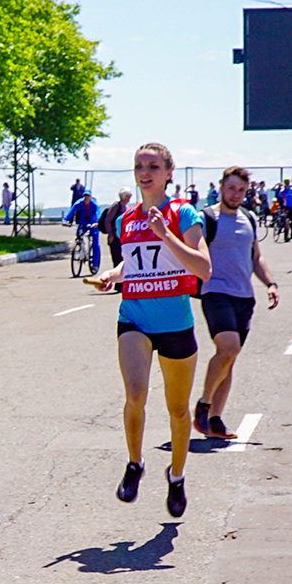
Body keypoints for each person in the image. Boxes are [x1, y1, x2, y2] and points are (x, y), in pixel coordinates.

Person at [90, 143, 210, 518]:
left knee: (177, 410)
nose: (145, 172)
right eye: (139, 166)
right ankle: (134, 463)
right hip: (135, 318)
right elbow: (134, 266)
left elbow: (203, 268)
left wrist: (166, 234)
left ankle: (176, 476)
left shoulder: (183, 213)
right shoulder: (127, 218)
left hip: (175, 323)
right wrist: (111, 275)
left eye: (153, 166)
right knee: (136, 395)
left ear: (168, 173)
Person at [195, 168, 278, 442]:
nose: (236, 195)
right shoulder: (206, 218)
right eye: (231, 189)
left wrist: (271, 284)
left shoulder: (249, 218)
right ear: (221, 187)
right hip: (215, 291)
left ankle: (215, 420)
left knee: (230, 359)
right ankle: (204, 405)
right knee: (228, 347)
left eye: (241, 190)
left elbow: (256, 257)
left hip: (244, 296)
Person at [63, 188, 100, 272]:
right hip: (82, 223)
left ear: (90, 196)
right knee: (79, 236)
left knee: (95, 242)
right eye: (85, 196)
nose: (86, 198)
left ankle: (94, 264)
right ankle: (80, 249)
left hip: (93, 223)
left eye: (88, 196)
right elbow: (71, 211)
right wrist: (65, 220)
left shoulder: (94, 204)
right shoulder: (79, 203)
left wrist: (97, 222)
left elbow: (98, 213)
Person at [100, 189, 131, 266]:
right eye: (129, 195)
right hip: (115, 237)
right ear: (125, 196)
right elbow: (108, 220)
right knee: (117, 261)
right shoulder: (117, 206)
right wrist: (111, 235)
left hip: (123, 237)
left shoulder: (126, 207)